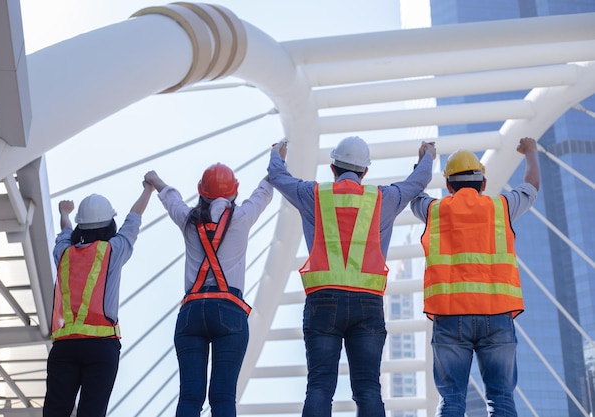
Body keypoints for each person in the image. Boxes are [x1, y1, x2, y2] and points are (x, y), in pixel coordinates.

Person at [268, 136, 437, 417]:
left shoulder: (314, 195)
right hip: (368, 304)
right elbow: (418, 182)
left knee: (320, 386)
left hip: (323, 301)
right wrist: (427, 156)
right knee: (368, 388)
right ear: (365, 172)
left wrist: (278, 153)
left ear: (333, 168)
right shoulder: (384, 198)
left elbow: (277, 176)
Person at [410, 137, 540, 417]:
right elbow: (531, 187)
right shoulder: (502, 208)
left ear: (448, 185)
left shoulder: (435, 210)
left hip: (449, 315)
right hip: (497, 315)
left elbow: (414, 192)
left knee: (452, 399)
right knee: (501, 399)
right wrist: (531, 152)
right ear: (483, 183)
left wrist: (424, 159)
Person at [144, 163, 273, 417]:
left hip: (191, 312)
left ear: (201, 192)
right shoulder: (242, 217)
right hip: (230, 312)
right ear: (234, 193)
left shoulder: (189, 219)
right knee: (223, 398)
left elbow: (172, 198)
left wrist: (154, 179)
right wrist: (278, 158)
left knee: (190, 398)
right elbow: (265, 190)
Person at [43, 182, 154, 417]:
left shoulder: (64, 253)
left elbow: (64, 233)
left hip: (64, 347)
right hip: (101, 346)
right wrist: (148, 189)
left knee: (55, 411)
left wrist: (64, 212)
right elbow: (133, 221)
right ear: (110, 224)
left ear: (80, 226)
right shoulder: (112, 251)